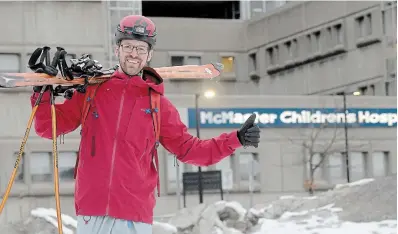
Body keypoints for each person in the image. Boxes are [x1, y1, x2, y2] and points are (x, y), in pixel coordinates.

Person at [30, 15, 260, 234]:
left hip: (134, 214)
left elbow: (190, 150)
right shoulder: (92, 92)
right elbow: (48, 127)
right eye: (128, 47)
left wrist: (235, 139)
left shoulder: (159, 106)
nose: (133, 54)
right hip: (91, 208)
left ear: (149, 55)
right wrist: (42, 96)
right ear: (117, 49)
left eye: (141, 49)